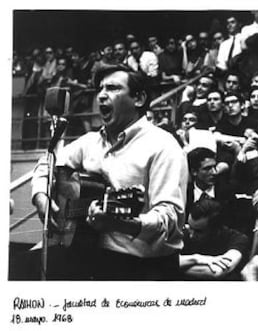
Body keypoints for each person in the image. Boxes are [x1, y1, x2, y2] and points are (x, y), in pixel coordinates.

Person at [31, 64, 188, 280]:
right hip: (92, 255)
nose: (102, 96)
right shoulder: (89, 142)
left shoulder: (163, 146)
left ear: (139, 99)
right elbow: (46, 163)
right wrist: (41, 195)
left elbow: (169, 218)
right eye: (100, 89)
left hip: (146, 269)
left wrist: (122, 224)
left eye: (113, 88)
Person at [179, 198, 249, 280]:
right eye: (190, 227)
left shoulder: (238, 239)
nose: (191, 235)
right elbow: (162, 262)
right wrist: (196, 259)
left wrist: (174, 266)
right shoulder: (182, 235)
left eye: (199, 232)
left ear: (216, 230)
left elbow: (217, 271)